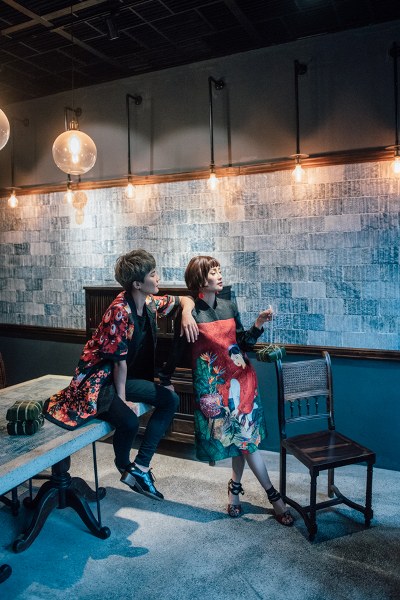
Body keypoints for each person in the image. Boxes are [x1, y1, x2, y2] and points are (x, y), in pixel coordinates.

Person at [44, 249, 198, 501]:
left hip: (123, 377)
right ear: (137, 283)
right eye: (153, 274)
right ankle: (124, 465)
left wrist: (188, 314)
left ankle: (141, 467)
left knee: (170, 400)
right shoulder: (119, 311)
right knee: (129, 421)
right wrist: (123, 399)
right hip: (98, 381)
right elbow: (119, 363)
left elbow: (184, 299)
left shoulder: (148, 303)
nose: (158, 278)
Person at [160, 255, 293, 526]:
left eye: (219, 270)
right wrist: (164, 378)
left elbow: (241, 344)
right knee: (240, 441)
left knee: (245, 441)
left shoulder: (229, 305)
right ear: (200, 280)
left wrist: (258, 324)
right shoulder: (190, 313)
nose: (219, 275)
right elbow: (177, 349)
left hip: (243, 381)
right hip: (214, 389)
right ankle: (268, 495)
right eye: (213, 272)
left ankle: (245, 492)